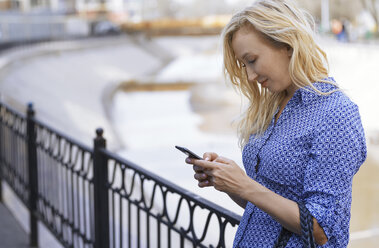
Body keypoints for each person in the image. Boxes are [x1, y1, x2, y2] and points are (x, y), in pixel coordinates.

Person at [184, 0, 367, 247]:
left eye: (252, 59)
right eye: (243, 65)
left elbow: (322, 230)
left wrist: (246, 186)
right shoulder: (272, 105)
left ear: (287, 44)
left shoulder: (335, 114)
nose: (249, 75)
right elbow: (268, 209)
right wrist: (230, 183)